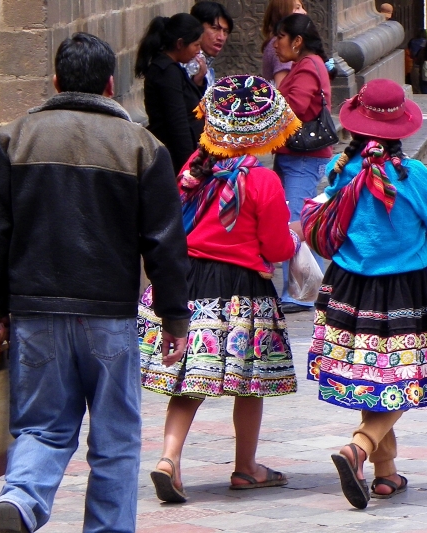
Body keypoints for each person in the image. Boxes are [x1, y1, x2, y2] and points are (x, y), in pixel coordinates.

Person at [0, 33, 190, 533]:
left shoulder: (13, 138)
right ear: (110, 85)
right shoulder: (142, 146)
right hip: (110, 315)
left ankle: (22, 497)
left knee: (42, 426)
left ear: (56, 81)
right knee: (116, 440)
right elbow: (164, 242)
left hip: (35, 313)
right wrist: (174, 316)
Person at [139, 74, 304, 503]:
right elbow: (277, 247)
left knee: (188, 381)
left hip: (189, 283)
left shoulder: (193, 171)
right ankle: (246, 466)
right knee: (249, 383)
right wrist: (297, 237)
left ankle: (169, 459)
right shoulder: (262, 181)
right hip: (241, 289)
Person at [306, 78, 427, 509]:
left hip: (347, 287)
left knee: (373, 376)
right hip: (404, 290)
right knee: (406, 378)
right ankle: (360, 446)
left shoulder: (342, 170)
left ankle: (385, 473)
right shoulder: (415, 176)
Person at [272, 13, 337, 313]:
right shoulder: (306, 65)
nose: (275, 44)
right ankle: (311, 287)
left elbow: (295, 106)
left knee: (296, 221)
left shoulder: (309, 66)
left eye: (280, 37)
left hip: (302, 157)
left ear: (297, 40)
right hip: (296, 155)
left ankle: (302, 293)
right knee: (296, 218)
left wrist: (265, 103)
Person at [135, 14, 204, 174]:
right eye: (196, 45)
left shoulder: (171, 69)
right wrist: (189, 166)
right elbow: (177, 122)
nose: (198, 51)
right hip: (174, 159)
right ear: (180, 43)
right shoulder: (166, 72)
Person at [186, 1, 234, 91]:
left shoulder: (207, 65)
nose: (221, 37)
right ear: (197, 27)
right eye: (215, 28)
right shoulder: (187, 64)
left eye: (225, 31)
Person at [261, 0, 307, 86]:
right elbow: (282, 88)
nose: (304, 12)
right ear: (283, 12)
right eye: (297, 8)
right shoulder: (281, 44)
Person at [407, 28, 427, 93]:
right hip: (426, 67)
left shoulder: (412, 42)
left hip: (415, 65)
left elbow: (410, 54)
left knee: (416, 88)